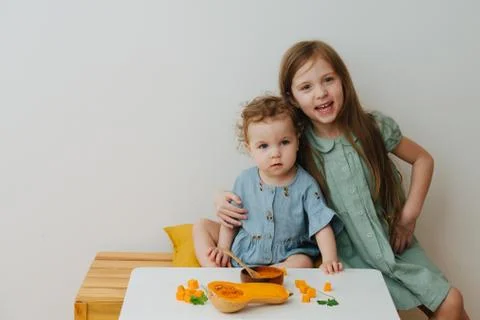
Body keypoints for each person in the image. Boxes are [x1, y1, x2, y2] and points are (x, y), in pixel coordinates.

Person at [194, 41, 470, 319]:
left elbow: (423, 160)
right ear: (292, 98)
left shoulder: (372, 127)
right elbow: (261, 177)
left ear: (343, 80)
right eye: (306, 87)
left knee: (452, 303)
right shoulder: (296, 145)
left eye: (328, 80)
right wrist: (221, 197)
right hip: (347, 253)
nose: (321, 93)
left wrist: (408, 217)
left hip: (388, 241)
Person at [194, 95, 343, 273]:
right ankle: (214, 269)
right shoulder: (245, 180)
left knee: (303, 262)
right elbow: (231, 219)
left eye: (284, 142)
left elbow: (321, 224)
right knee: (201, 226)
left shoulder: (306, 184)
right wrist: (224, 248)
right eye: (263, 146)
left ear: (297, 141)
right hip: (247, 252)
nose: (275, 153)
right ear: (250, 149)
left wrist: (329, 259)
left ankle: (269, 274)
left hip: (288, 253)